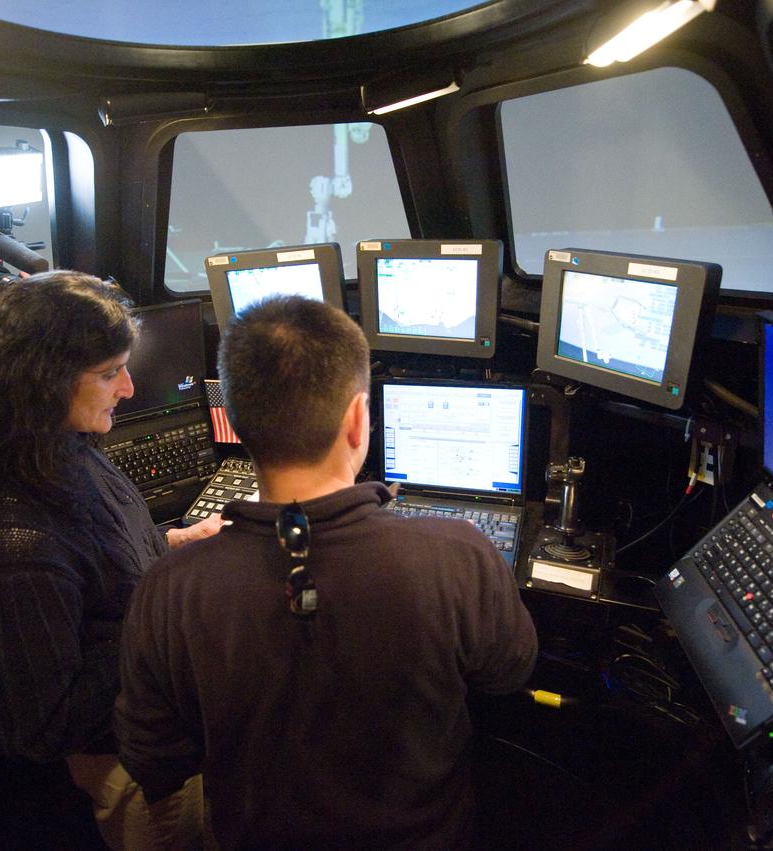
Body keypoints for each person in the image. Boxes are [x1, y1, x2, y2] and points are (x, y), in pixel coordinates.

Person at [115, 296, 539, 849]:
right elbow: (509, 673)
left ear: (236, 425)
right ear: (359, 419)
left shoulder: (170, 587)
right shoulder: (460, 554)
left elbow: (154, 757)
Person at [0, 271, 222, 850]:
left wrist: (176, 544)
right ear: (44, 381)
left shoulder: (59, 448)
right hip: (140, 776)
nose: (128, 389)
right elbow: (39, 725)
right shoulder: (13, 544)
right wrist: (173, 618)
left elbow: (96, 565)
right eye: (110, 373)